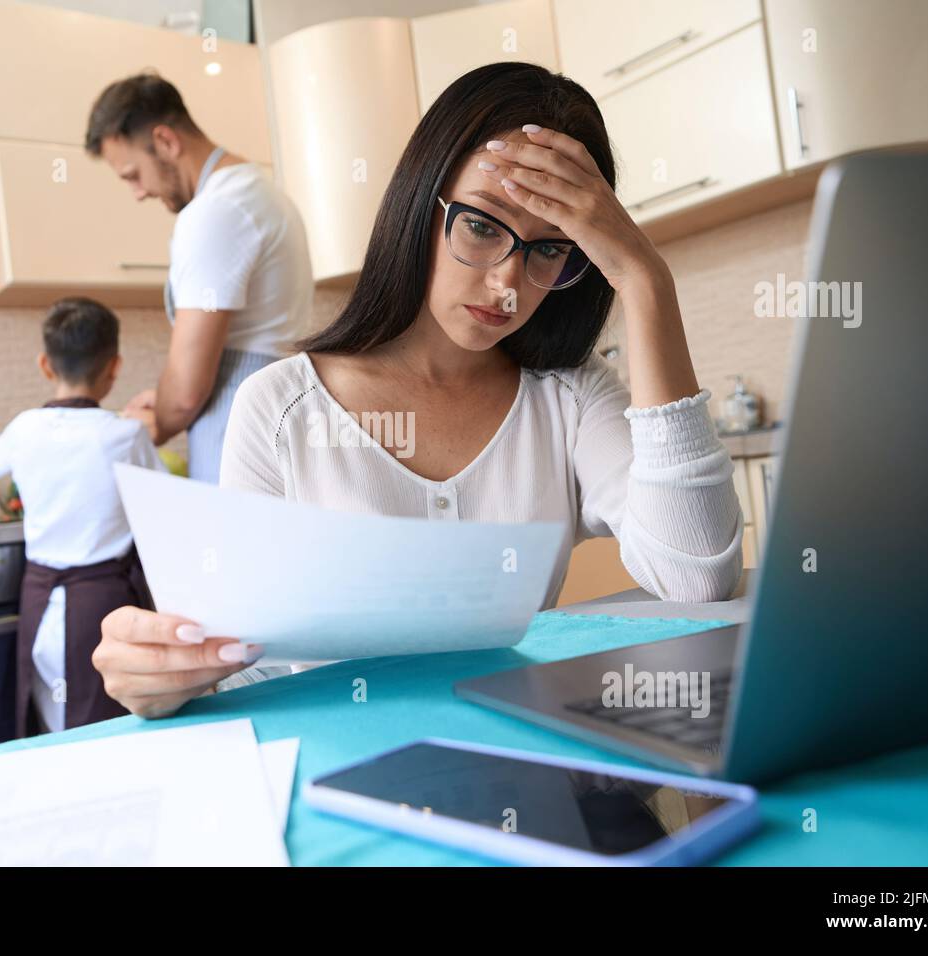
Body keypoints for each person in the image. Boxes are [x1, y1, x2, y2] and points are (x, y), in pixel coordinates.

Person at [91, 62, 744, 719]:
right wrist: (163, 676)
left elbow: (696, 576)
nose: (506, 286)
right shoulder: (281, 409)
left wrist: (643, 277)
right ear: (420, 203)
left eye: (549, 250)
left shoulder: (570, 397)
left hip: (520, 761)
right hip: (339, 768)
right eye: (483, 227)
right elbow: (239, 662)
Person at [84, 71, 314, 482]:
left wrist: (157, 423)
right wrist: (166, 401)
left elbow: (189, 389)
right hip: (272, 416)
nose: (138, 193)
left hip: (236, 428)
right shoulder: (261, 192)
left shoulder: (215, 212)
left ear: (166, 142)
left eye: (133, 174)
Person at [0, 297, 167, 736]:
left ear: (46, 365)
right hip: (101, 611)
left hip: (38, 602)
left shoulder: (23, 427)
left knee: (53, 728)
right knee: (105, 734)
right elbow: (162, 498)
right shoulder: (126, 435)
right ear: (115, 366)